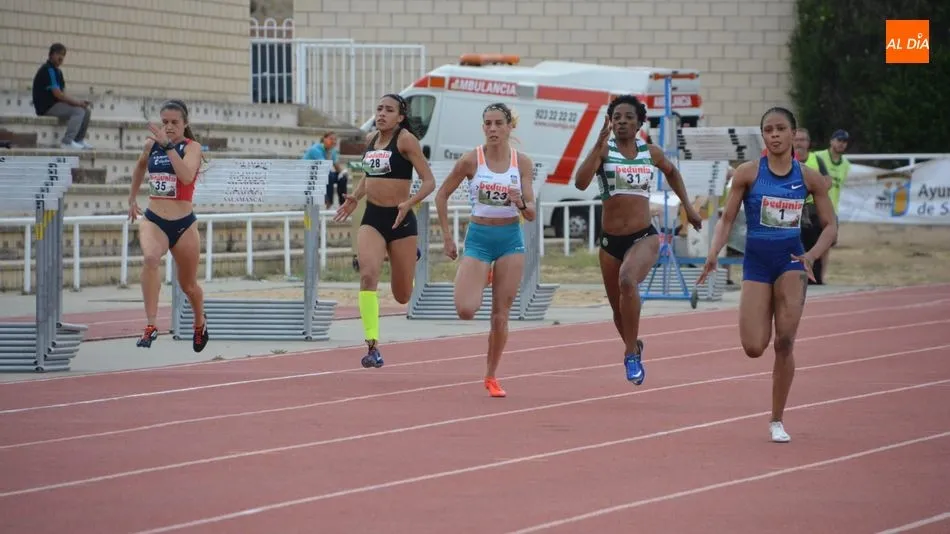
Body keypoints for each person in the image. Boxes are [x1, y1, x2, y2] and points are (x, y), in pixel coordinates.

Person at [697, 106, 838, 443]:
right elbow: (728, 219)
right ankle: (774, 407)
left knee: (785, 341)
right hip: (757, 263)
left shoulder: (808, 178)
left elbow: (831, 225)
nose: (774, 135)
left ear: (793, 134)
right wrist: (713, 251)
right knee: (753, 346)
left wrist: (811, 255)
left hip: (791, 262)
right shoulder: (747, 173)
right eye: (768, 130)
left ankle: (777, 419)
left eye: (780, 129)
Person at [574, 94, 702, 386]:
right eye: (617, 117)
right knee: (618, 312)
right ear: (610, 121)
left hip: (643, 236)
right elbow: (580, 183)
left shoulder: (650, 152)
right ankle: (634, 346)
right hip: (610, 242)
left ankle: (630, 355)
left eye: (628, 117)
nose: (622, 122)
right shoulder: (604, 152)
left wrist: (689, 208)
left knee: (628, 281)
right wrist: (596, 145)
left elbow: (672, 173)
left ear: (639, 122)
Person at [435, 103, 537, 398]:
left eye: (498, 124)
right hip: (479, 237)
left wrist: (519, 202)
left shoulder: (522, 163)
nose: (492, 129)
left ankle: (491, 375)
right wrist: (447, 237)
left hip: (509, 239)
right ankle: (479, 273)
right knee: (466, 310)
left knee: (500, 315)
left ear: (509, 127)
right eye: (488, 124)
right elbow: (442, 195)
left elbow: (530, 213)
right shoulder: (471, 160)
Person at [333, 93, 436, 369]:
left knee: (402, 295)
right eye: (378, 109)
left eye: (388, 110)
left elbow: (429, 182)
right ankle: (372, 346)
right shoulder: (370, 140)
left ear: (400, 117)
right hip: (373, 218)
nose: (381, 114)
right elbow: (370, 175)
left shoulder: (405, 140)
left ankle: (407, 256)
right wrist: (355, 196)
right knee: (367, 275)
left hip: (401, 220)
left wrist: (409, 203)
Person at [128, 99, 209, 353]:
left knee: (189, 286)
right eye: (165, 122)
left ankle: (199, 321)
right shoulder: (151, 145)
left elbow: (186, 175)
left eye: (175, 122)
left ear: (185, 124)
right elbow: (140, 167)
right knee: (151, 258)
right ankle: (151, 324)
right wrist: (132, 198)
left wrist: (169, 147)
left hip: (184, 225)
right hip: (154, 219)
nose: (169, 127)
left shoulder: (191, 147)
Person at [31, 43, 93, 150]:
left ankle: (78, 140)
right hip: (46, 107)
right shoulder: (48, 70)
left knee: (86, 111)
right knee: (79, 111)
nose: (61, 57)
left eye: (63, 55)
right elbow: (58, 94)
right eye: (58, 54)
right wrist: (77, 103)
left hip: (56, 104)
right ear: (51, 55)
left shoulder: (58, 72)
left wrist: (79, 102)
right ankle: (67, 142)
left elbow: (63, 93)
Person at [302, 131, 350, 209]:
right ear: (324, 139)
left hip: (320, 174)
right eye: (331, 139)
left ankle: (342, 205)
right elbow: (324, 167)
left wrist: (343, 172)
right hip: (308, 175)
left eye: (335, 140)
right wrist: (329, 153)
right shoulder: (315, 149)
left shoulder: (332, 150)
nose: (334, 142)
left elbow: (337, 167)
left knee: (342, 178)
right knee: (329, 175)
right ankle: (328, 203)